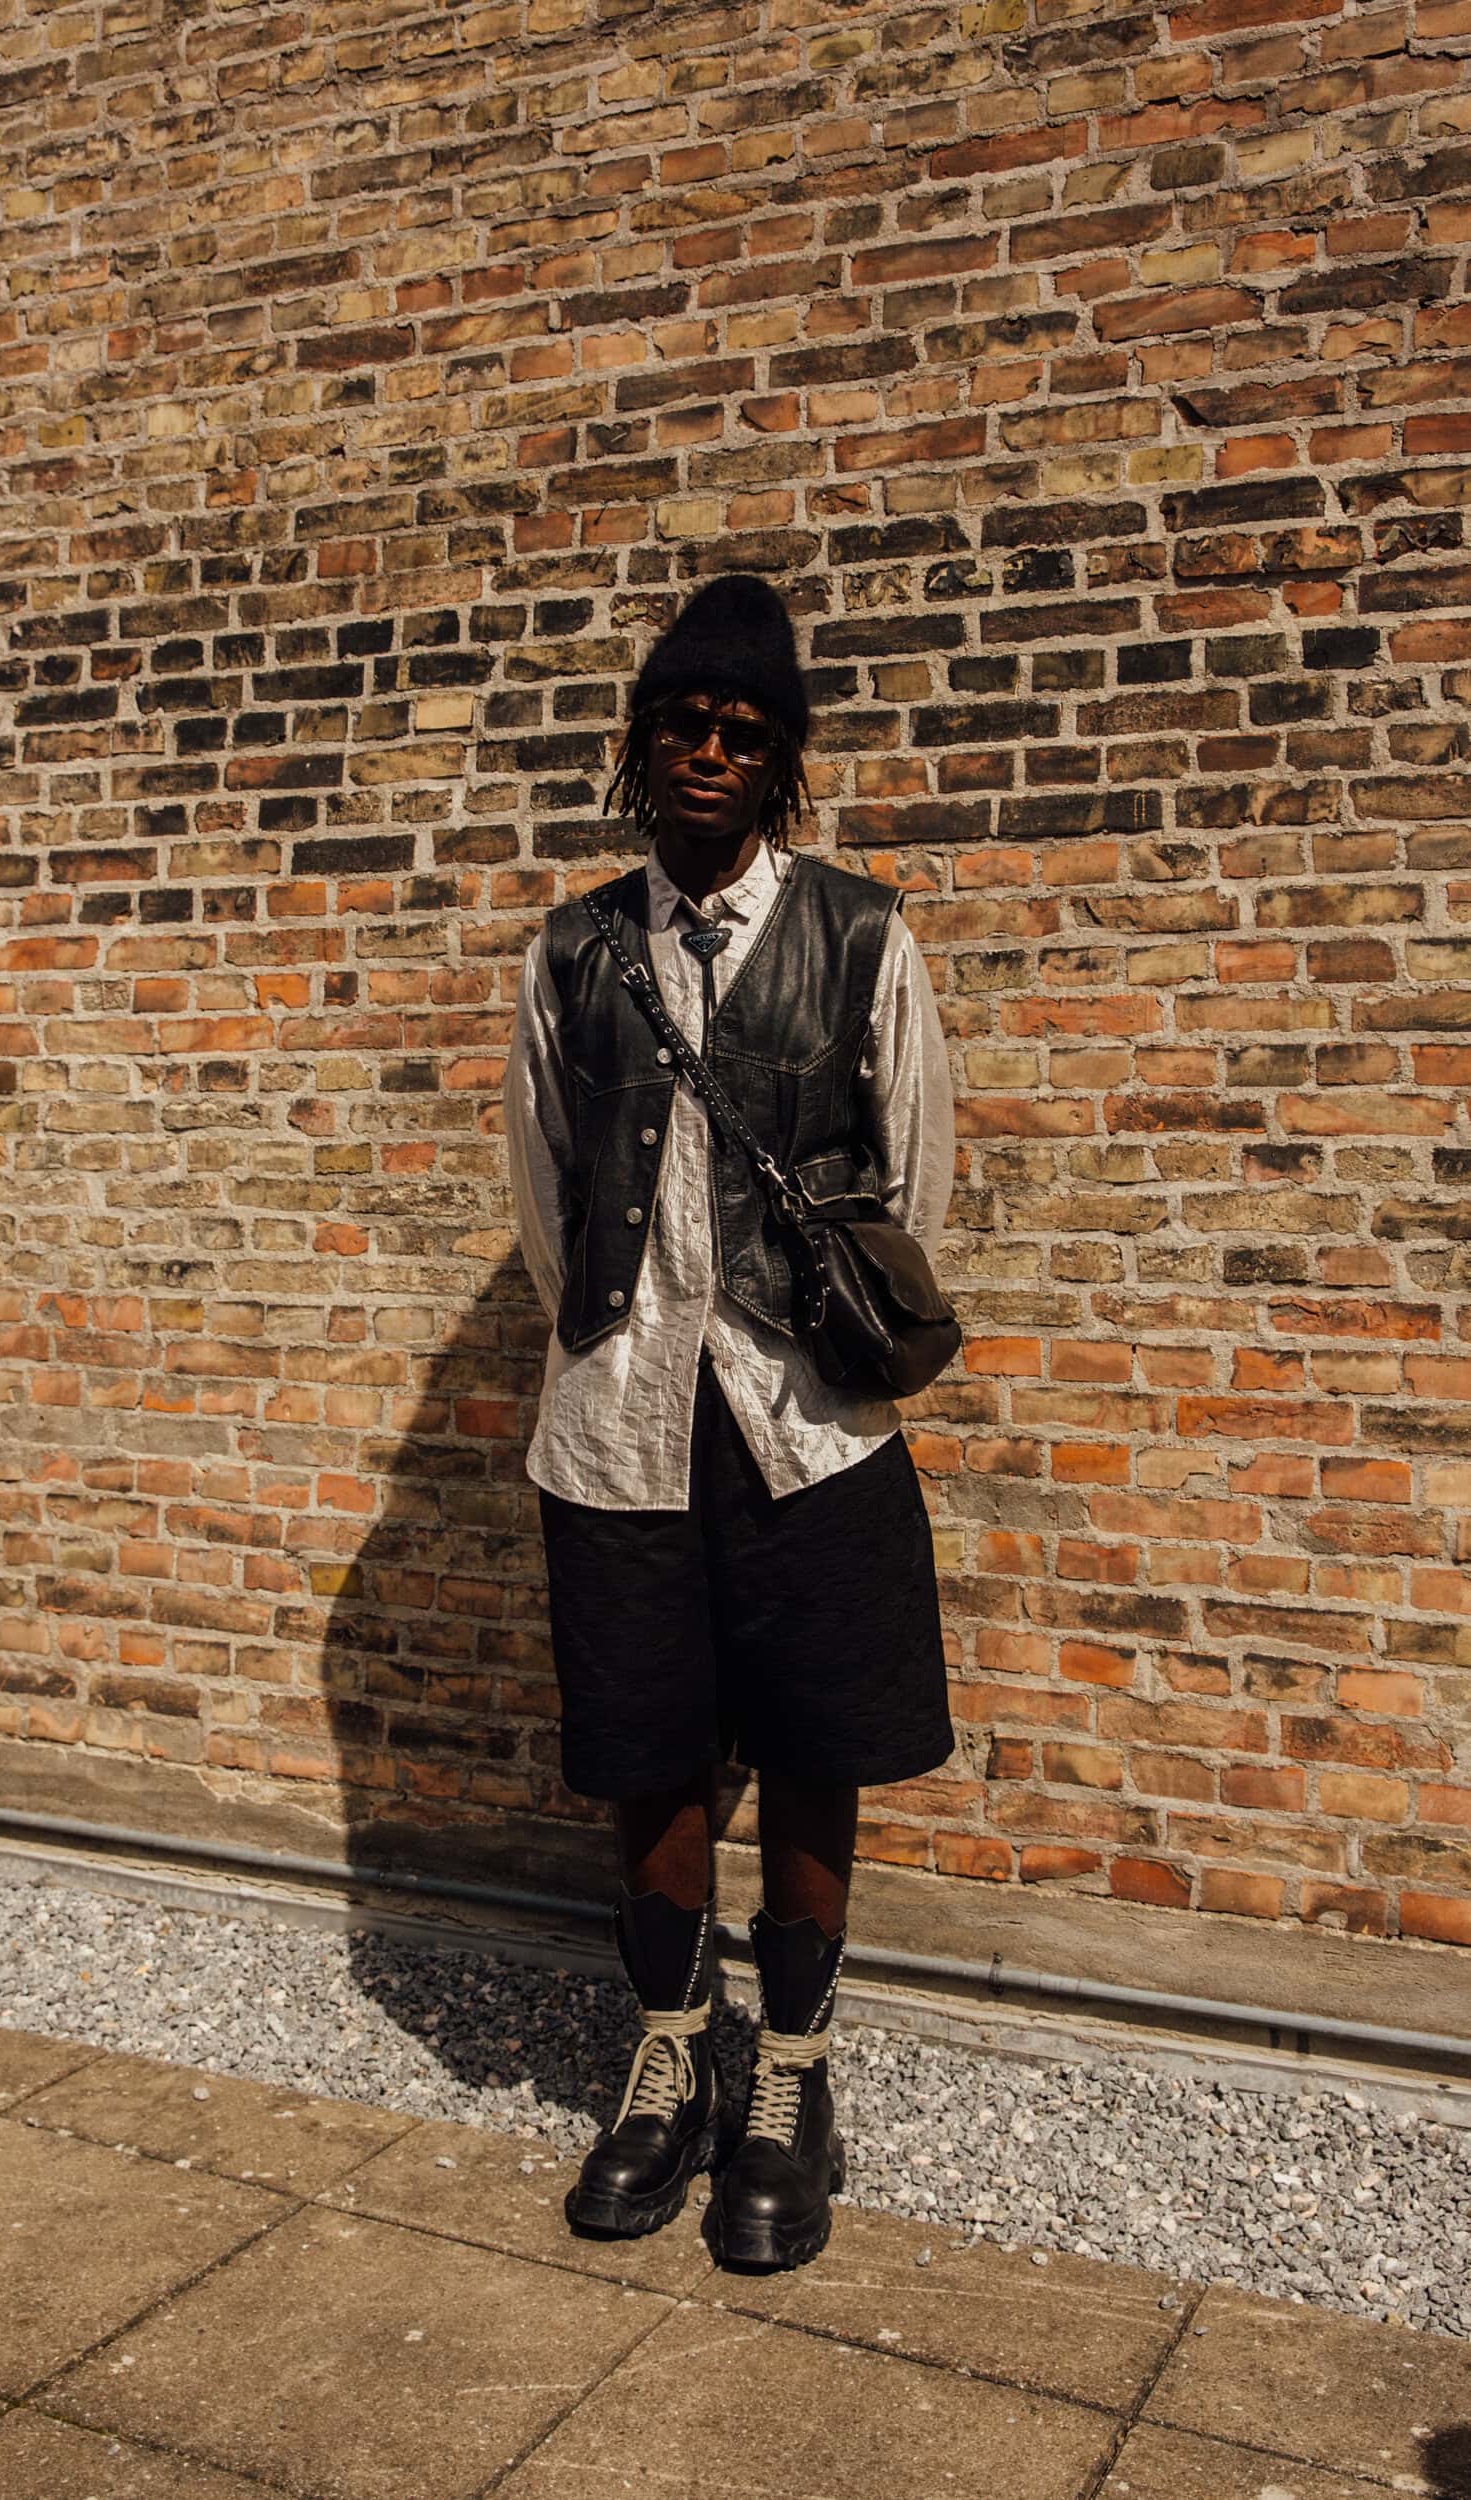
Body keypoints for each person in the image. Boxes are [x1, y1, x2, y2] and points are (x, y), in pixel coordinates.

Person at [501, 573, 956, 2272]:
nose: (710, 752)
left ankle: (795, 2076)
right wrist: (622, 1341)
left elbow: (914, 1181)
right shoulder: (572, 951)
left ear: (782, 767)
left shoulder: (862, 936)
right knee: (645, 1745)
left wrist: (810, 1341)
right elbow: (544, 1194)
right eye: (683, 725)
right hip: (620, 1419)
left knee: (820, 1742)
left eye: (746, 735)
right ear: (641, 749)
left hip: (808, 1424)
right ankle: (674, 2051)